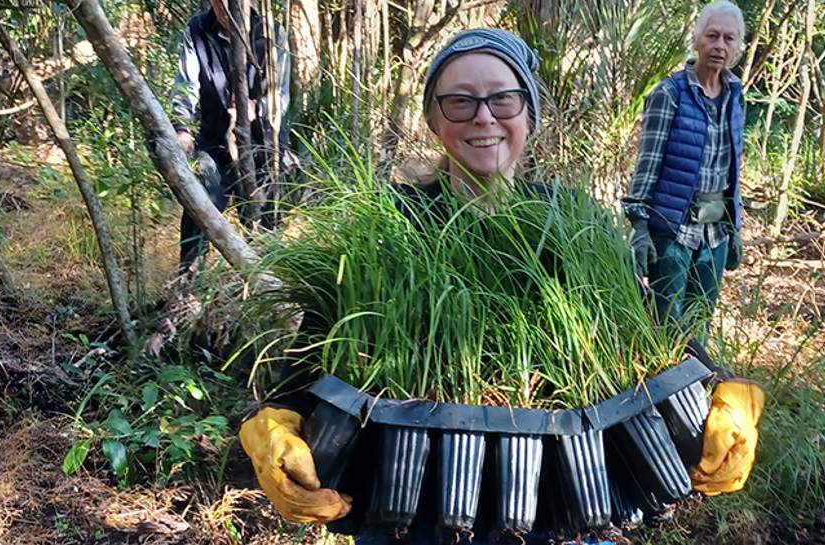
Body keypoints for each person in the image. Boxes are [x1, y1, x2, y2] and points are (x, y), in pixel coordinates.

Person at [238, 28, 762, 544]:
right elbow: (317, 349)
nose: (484, 117)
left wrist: (725, 387)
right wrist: (276, 421)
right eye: (459, 101)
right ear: (433, 119)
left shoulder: (570, 218)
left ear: (528, 115)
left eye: (503, 99)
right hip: (404, 504)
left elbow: (646, 329)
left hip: (552, 500)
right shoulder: (391, 220)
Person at [623, 0, 747, 330]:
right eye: (712, 36)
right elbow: (648, 162)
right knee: (666, 320)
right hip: (673, 223)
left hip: (714, 222)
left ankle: (698, 382)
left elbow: (732, 165)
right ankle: (662, 381)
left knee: (700, 319)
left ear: (738, 47)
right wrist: (639, 225)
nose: (720, 45)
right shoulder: (669, 94)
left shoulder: (735, 93)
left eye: (729, 39)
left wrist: (736, 224)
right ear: (696, 40)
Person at [170, 0, 290, 274]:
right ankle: (187, 282)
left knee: (263, 229)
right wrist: (181, 128)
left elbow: (281, 94)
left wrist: (257, 109)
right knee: (198, 204)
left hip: (264, 145)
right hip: (215, 141)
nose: (225, 5)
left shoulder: (272, 32)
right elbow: (186, 84)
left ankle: (264, 291)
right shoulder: (198, 29)